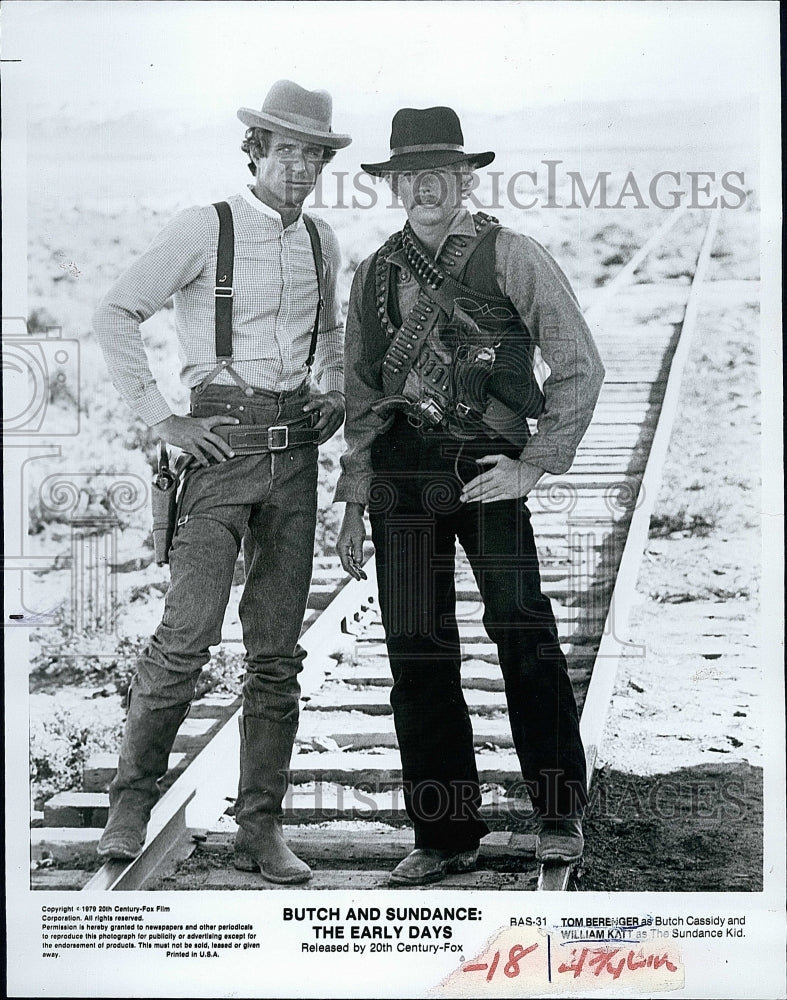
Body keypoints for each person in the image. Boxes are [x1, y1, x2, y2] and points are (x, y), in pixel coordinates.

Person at [335, 106, 605, 886]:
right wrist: (355, 500)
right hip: (399, 477)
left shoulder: (511, 254)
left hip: (486, 468)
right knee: (417, 653)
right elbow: (360, 393)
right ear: (393, 186)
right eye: (409, 176)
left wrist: (533, 464)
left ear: (464, 180)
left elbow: (577, 363)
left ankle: (558, 815)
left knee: (522, 634)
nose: (424, 188)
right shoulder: (376, 272)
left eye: (440, 175)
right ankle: (445, 833)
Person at [92, 80, 351, 884]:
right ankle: (130, 804)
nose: (300, 167)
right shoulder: (204, 227)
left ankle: (260, 828)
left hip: (295, 457)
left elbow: (333, 333)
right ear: (257, 152)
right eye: (287, 151)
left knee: (276, 654)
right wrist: (160, 418)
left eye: (313, 154)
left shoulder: (321, 241)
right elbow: (116, 312)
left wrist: (336, 392)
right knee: (186, 636)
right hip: (216, 450)